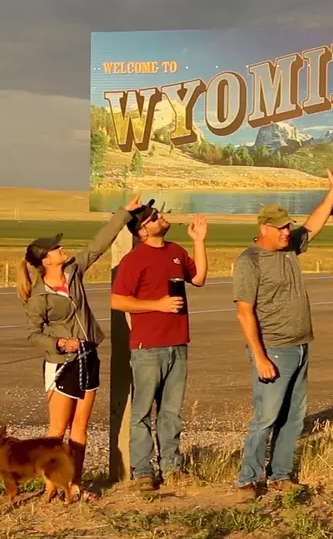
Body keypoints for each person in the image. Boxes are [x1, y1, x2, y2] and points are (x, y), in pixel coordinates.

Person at [231, 161, 333, 499]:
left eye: (289, 227)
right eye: (282, 228)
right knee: (266, 417)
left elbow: (315, 225)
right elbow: (244, 313)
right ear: (265, 228)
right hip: (274, 349)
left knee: (293, 418)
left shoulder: (289, 247)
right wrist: (259, 357)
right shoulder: (249, 261)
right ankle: (248, 479)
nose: (288, 231)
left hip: (300, 345)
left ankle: (280, 475)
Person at [17, 194, 143, 502]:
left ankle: (74, 484)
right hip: (62, 364)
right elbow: (33, 334)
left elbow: (97, 245)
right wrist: (59, 342)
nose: (62, 249)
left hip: (89, 357)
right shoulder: (39, 297)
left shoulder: (74, 271)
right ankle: (50, 488)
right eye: (56, 248)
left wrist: (123, 214)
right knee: (57, 431)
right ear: (45, 260)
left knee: (81, 429)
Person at [110, 202, 209, 491]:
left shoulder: (177, 251)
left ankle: (172, 467)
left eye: (159, 214)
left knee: (171, 413)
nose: (161, 218)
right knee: (142, 412)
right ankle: (143, 471)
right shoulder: (134, 259)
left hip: (178, 343)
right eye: (154, 218)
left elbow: (199, 278)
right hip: (147, 347)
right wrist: (158, 305)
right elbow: (118, 301)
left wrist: (199, 242)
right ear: (142, 230)